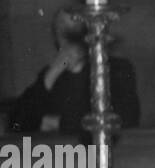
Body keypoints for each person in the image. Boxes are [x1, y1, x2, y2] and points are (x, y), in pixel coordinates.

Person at [8, 7, 140, 134]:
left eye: (74, 27)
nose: (69, 38)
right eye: (61, 27)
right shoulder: (52, 75)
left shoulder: (116, 69)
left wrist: (58, 123)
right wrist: (52, 74)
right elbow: (16, 123)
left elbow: (126, 118)